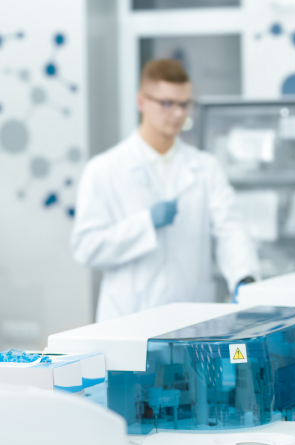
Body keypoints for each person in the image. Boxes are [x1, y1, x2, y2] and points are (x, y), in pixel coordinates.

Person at [72, 59, 260, 322]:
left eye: (184, 104)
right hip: (129, 318)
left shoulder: (205, 167)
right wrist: (145, 224)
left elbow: (230, 229)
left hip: (192, 317)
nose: (177, 114)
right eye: (166, 103)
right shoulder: (104, 169)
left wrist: (244, 277)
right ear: (141, 102)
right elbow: (86, 247)